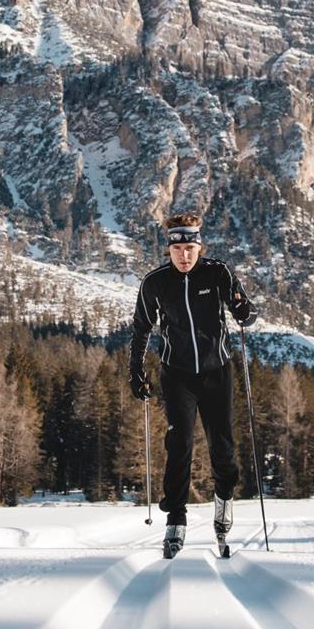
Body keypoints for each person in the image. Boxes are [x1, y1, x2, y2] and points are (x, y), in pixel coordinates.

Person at [127, 211, 256, 556]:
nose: (184, 256)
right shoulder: (155, 282)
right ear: (168, 248)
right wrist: (135, 372)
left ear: (199, 246)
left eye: (190, 248)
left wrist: (244, 310)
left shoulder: (218, 273)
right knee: (179, 444)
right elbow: (141, 328)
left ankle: (224, 498)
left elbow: (248, 313)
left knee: (223, 447)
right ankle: (176, 519)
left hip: (217, 371)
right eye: (177, 249)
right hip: (177, 374)